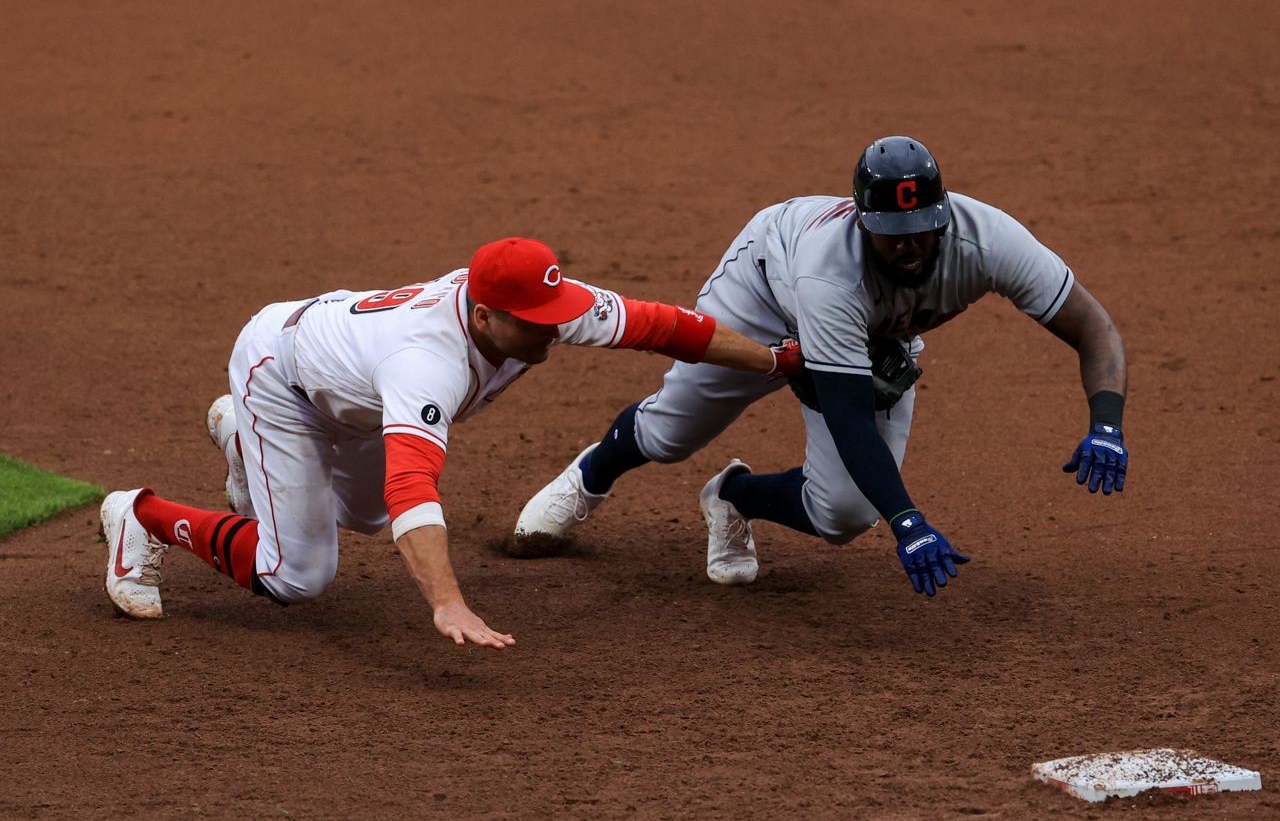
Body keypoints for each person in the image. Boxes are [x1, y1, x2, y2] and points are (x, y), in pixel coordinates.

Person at [100, 237, 803, 648]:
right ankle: (141, 515)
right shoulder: (426, 363)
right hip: (281, 378)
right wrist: (446, 601)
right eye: (535, 323)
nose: (552, 330)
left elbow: (670, 327)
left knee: (368, 513)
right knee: (299, 575)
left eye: (556, 314)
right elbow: (414, 485)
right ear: (485, 313)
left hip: (346, 382)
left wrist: (776, 360)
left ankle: (243, 445)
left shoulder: (540, 307)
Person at [514, 136, 1129, 597]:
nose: (911, 245)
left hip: (867, 333)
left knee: (846, 515)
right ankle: (590, 476)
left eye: (923, 229)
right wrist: (909, 521)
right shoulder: (829, 269)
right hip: (764, 292)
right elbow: (845, 411)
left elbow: (1093, 327)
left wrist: (1106, 422)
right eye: (894, 233)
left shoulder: (990, 240)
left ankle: (734, 495)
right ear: (863, 219)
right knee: (673, 433)